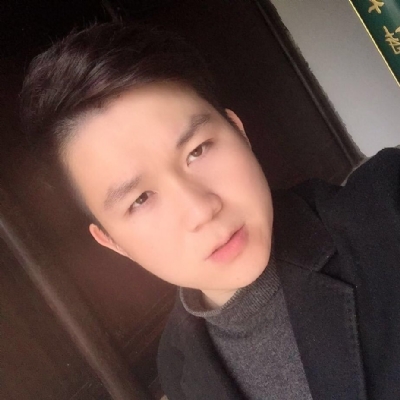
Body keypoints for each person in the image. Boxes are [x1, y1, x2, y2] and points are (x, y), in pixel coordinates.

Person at [20, 22, 400, 400]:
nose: (200, 210)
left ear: (238, 131)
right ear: (112, 242)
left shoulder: (386, 206)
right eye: (140, 199)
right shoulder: (178, 365)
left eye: (197, 151)